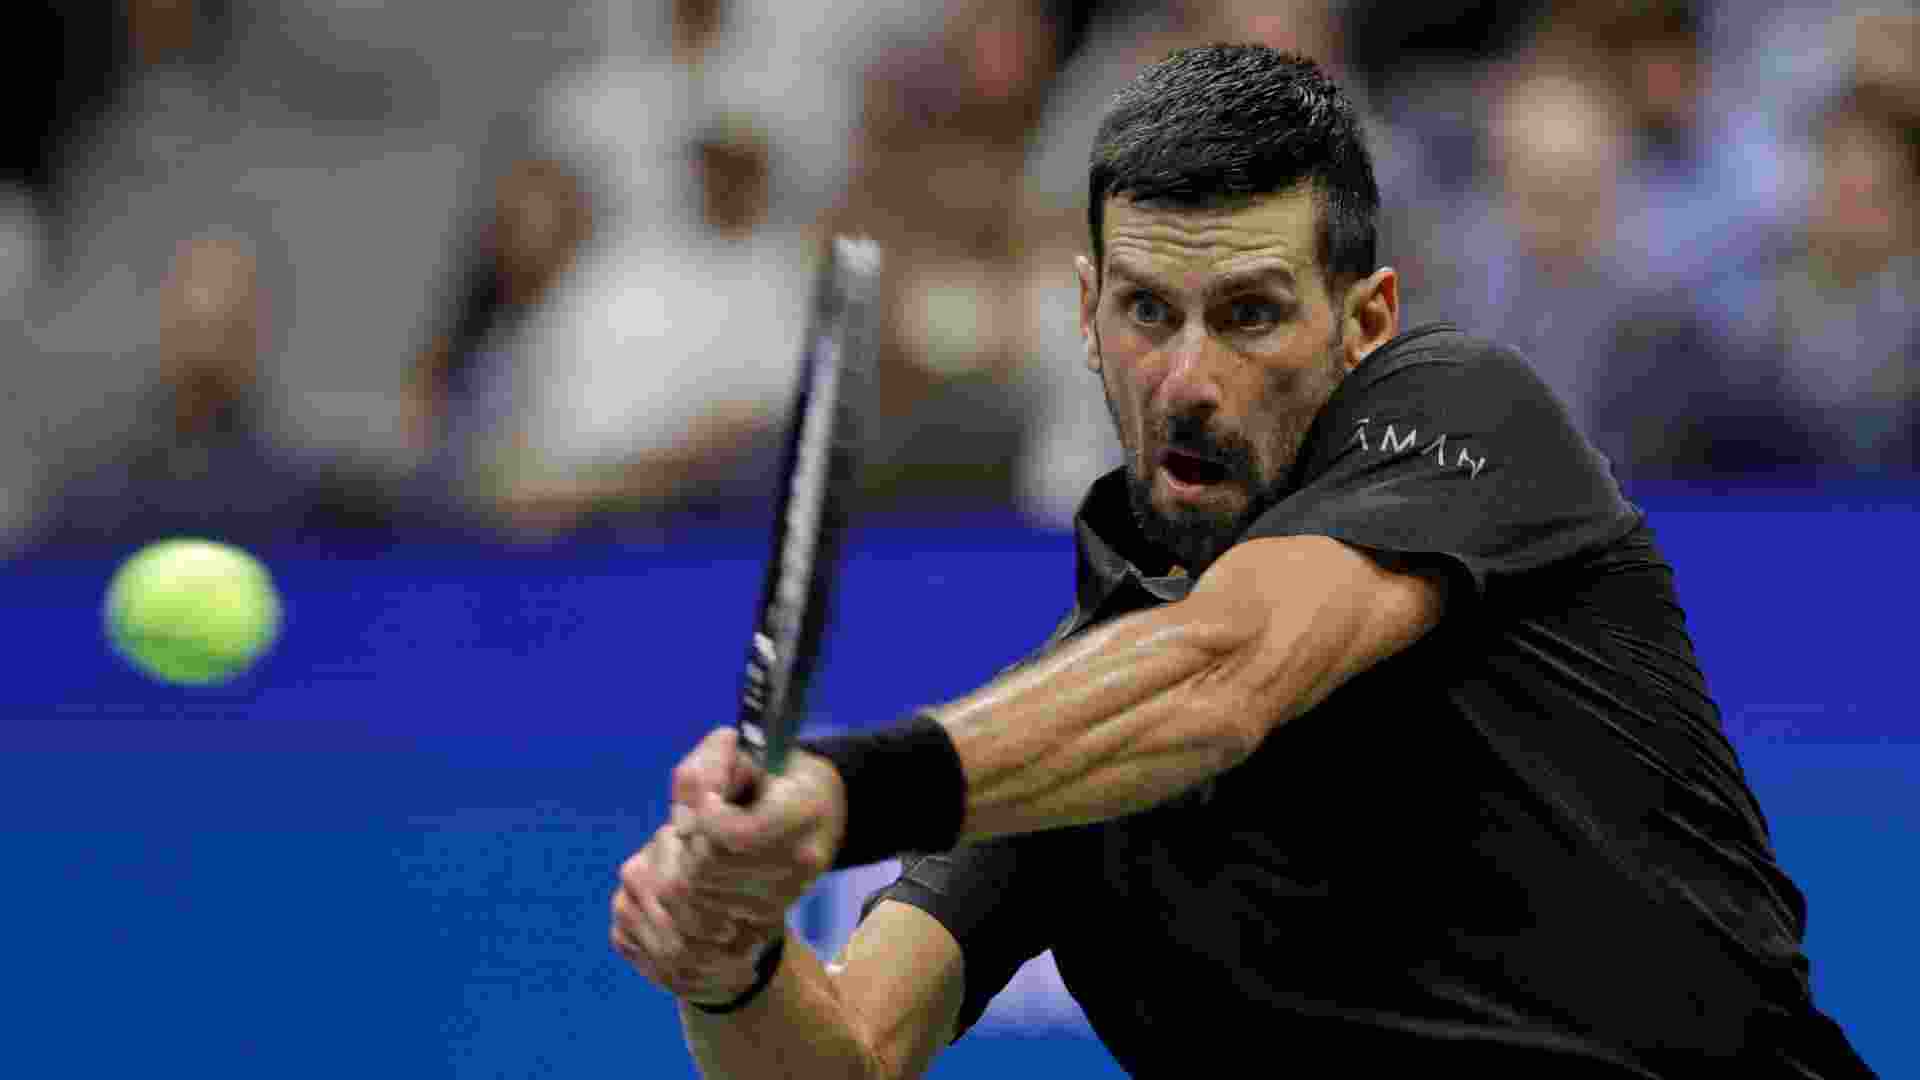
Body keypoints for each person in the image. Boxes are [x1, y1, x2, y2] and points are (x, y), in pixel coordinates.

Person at [609, 46, 1877, 1078]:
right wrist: (732, 963)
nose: (1191, 380)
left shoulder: (1468, 416)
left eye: (1251, 314)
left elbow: (1224, 674)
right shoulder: (1072, 726)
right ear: (1088, 311)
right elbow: (845, 1063)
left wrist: (841, 796)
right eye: (1147, 312)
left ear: (1364, 320)